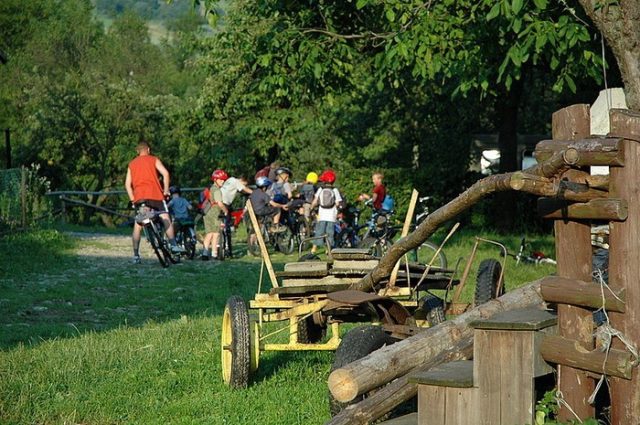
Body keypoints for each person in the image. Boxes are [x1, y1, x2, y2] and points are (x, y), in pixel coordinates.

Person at [125, 140, 183, 264]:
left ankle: (136, 255)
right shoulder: (153, 159)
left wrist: (132, 199)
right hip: (155, 195)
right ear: (148, 150)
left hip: (140, 197)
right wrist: (166, 190)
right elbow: (166, 174)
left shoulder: (132, 164)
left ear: (137, 151)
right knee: (165, 217)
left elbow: (127, 184)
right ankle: (173, 244)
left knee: (138, 225)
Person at [220, 176, 253, 258]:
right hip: (225, 204)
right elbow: (245, 189)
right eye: (245, 184)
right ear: (242, 180)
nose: (245, 185)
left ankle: (221, 248)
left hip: (220, 202)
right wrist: (255, 193)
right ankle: (228, 250)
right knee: (226, 229)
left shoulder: (230, 179)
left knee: (223, 226)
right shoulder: (236, 182)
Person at [310, 169, 342, 254]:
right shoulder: (335, 190)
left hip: (322, 214)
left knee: (319, 231)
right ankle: (328, 249)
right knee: (330, 232)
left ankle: (314, 248)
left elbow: (315, 200)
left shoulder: (321, 189)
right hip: (331, 215)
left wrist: (311, 207)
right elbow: (338, 203)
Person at [201, 169, 229, 261]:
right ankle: (214, 253)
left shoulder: (211, 188)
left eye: (224, 180)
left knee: (209, 233)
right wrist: (225, 211)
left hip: (207, 212)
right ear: (215, 180)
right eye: (221, 180)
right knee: (216, 234)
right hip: (215, 214)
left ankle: (205, 253)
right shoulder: (217, 190)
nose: (223, 182)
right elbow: (220, 203)